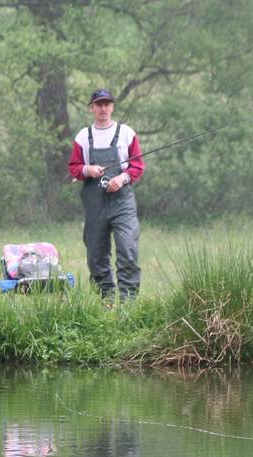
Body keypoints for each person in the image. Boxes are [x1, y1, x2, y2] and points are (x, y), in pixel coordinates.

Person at [68, 88, 145, 301]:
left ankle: (128, 304)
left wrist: (121, 178)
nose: (103, 108)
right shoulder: (83, 137)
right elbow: (73, 167)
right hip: (95, 204)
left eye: (107, 104)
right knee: (96, 257)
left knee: (128, 250)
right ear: (92, 107)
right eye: (98, 104)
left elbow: (138, 166)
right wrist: (87, 170)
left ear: (112, 107)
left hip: (122, 203)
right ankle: (106, 302)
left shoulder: (127, 133)